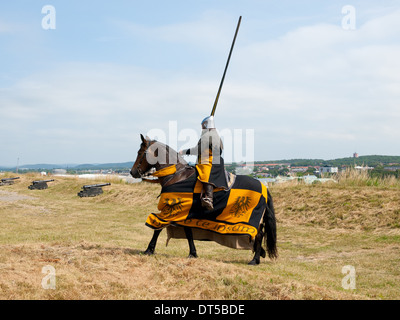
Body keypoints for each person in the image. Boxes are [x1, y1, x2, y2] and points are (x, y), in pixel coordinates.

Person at [179, 116, 228, 210]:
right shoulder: (211, 134)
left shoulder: (209, 135)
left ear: (206, 125)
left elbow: (197, 149)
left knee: (205, 172)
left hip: (210, 161)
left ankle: (209, 198)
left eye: (203, 125)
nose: (202, 128)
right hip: (207, 159)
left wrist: (184, 152)